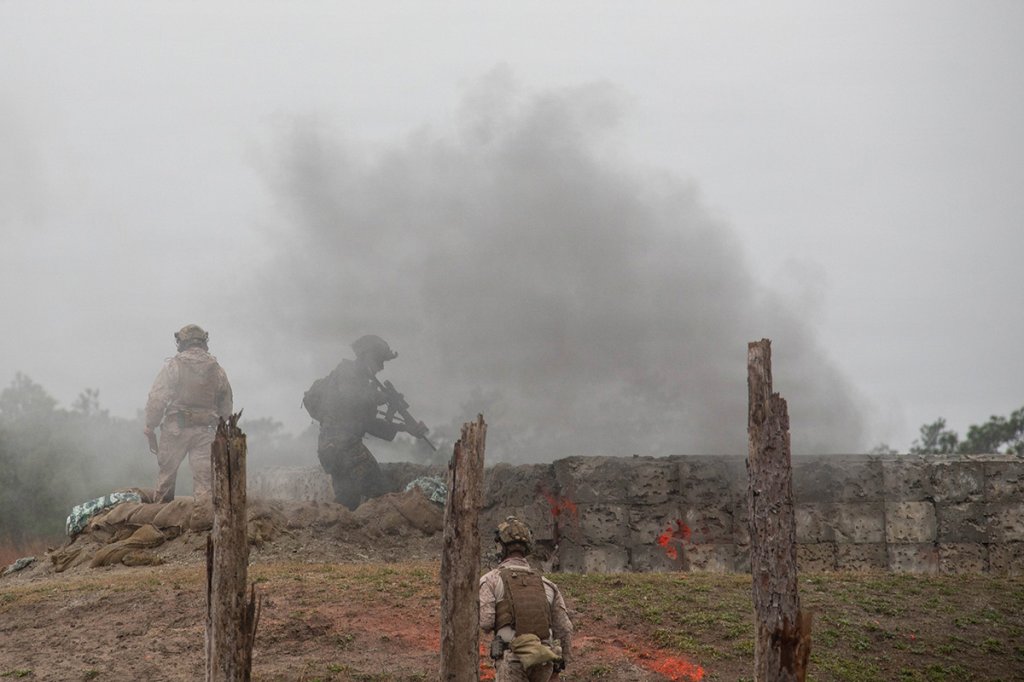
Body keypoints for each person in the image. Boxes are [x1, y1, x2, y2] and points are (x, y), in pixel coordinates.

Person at [303, 334, 428, 510]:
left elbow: (369, 424)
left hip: (331, 449)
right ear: (366, 355)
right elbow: (350, 396)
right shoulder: (347, 372)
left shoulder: (361, 383)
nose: (381, 367)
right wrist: (380, 397)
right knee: (383, 495)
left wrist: (406, 427)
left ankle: (330, 525)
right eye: (379, 360)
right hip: (345, 447)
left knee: (348, 501)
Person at [143, 324, 233, 503]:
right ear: (204, 342)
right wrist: (221, 424)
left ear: (181, 342)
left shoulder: (173, 366)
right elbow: (226, 405)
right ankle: (203, 517)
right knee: (205, 484)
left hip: (176, 429)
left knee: (166, 478)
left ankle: (162, 515)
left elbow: (157, 399)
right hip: (206, 431)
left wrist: (150, 425)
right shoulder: (217, 369)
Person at [479, 516, 574, 682]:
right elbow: (565, 629)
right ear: (527, 548)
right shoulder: (547, 584)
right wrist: (560, 664)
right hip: (544, 660)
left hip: (512, 659)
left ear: (501, 547)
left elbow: (486, 622)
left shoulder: (491, 580)